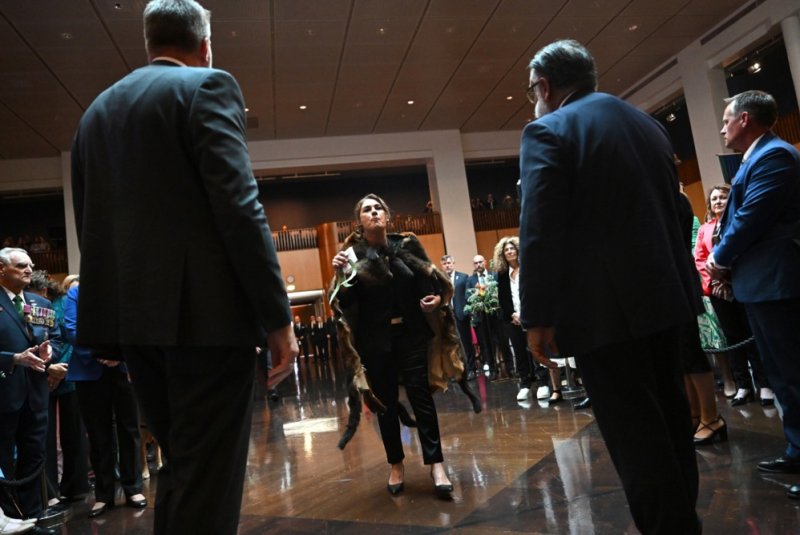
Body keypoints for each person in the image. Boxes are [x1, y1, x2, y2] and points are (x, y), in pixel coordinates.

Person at [69, 1, 297, 533]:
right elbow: (240, 208)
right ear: (205, 46)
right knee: (209, 482)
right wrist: (276, 316)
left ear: (149, 44)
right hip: (208, 326)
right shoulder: (207, 86)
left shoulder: (95, 113)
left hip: (135, 330)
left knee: (179, 470)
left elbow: (91, 226)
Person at [518, 40, 701, 534]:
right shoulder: (646, 124)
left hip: (604, 317)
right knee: (671, 422)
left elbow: (539, 231)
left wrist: (537, 316)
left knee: (635, 438)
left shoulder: (548, 130)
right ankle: (685, 521)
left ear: (545, 86)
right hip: (668, 300)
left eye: (532, 89)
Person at [331, 194, 460, 499]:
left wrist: (437, 300)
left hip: (412, 334)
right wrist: (342, 273)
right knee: (385, 404)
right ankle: (396, 464)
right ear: (359, 222)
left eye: (378, 208)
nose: (373, 212)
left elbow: (431, 284)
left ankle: (436, 464)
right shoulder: (353, 254)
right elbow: (345, 302)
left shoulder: (407, 246)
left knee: (422, 399)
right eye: (366, 209)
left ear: (387, 217)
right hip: (375, 342)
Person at [707, 90, 800, 499]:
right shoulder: (758, 157)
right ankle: (798, 448)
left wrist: (719, 259)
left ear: (745, 119)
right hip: (762, 283)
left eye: (726, 120)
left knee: (795, 372)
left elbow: (751, 217)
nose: (722, 128)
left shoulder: (774, 156)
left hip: (779, 281)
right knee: (782, 375)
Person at [63, 284, 146, 518]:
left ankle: (133, 488)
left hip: (124, 367)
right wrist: (102, 353)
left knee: (129, 430)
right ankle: (103, 495)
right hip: (89, 369)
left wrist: (117, 353)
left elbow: (136, 326)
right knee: (98, 435)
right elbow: (71, 329)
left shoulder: (125, 287)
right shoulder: (76, 291)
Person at [694, 185, 773, 407]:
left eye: (723, 197)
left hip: (741, 284)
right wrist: (713, 279)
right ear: (709, 205)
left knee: (750, 334)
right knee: (732, 337)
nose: (718, 201)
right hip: (718, 289)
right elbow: (700, 258)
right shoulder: (705, 229)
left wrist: (729, 275)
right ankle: (743, 385)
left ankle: (764, 384)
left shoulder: (737, 222)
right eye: (714, 198)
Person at [0, 249, 60, 535]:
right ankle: (9, 518)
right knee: (3, 460)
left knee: (34, 455)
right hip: (4, 392)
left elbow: (56, 338)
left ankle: (32, 516)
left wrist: (51, 351)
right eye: (21, 265)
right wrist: (12, 358)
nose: (29, 270)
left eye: (30, 265)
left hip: (36, 393)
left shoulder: (40, 303)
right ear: (1, 269)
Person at [40, 275, 90, 506]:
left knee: (75, 433)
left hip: (68, 372)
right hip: (43, 373)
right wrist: (50, 369)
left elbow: (69, 338)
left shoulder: (63, 301)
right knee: (44, 435)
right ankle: (50, 490)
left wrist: (60, 370)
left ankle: (76, 486)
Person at [493, 237, 539, 401]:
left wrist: (526, 313)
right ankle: (525, 383)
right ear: (502, 255)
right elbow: (503, 298)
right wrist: (512, 314)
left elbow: (534, 292)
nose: (509, 252)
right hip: (513, 319)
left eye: (512, 249)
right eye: (506, 250)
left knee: (535, 350)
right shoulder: (502, 275)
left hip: (531, 316)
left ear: (518, 250)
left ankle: (542, 382)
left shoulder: (527, 269)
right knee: (519, 351)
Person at [440, 255, 476, 378]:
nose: (447, 265)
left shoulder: (463, 277)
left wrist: (468, 312)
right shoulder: (440, 279)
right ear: (442, 266)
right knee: (454, 345)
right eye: (445, 264)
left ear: (454, 263)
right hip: (447, 317)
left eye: (449, 263)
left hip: (461, 315)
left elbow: (468, 296)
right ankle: (459, 371)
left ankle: (471, 369)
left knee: (466, 343)